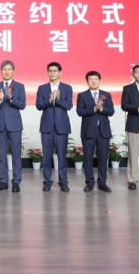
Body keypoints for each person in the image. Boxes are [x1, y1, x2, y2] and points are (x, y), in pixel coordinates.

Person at [36, 62, 73, 192]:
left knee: (62, 157)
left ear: (60, 72)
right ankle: (47, 182)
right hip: (46, 127)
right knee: (46, 157)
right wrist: (49, 100)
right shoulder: (42, 88)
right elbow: (38, 105)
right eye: (50, 71)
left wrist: (59, 99)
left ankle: (63, 182)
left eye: (55, 71)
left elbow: (69, 106)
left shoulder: (67, 88)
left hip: (61, 127)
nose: (52, 73)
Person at [0, 60, 26, 193]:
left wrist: (11, 98)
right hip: (0, 124)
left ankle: (16, 182)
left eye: (9, 69)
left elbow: (22, 105)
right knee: (1, 154)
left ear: (13, 71)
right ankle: (3, 181)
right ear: (1, 71)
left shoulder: (19, 86)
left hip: (15, 125)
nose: (6, 71)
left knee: (16, 154)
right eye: (4, 69)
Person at [76, 71, 114, 193]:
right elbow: (80, 112)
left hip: (103, 131)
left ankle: (102, 182)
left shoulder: (106, 95)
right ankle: (89, 182)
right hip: (88, 131)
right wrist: (94, 108)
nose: (93, 81)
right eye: (91, 79)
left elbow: (111, 111)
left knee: (103, 158)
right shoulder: (82, 95)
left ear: (99, 80)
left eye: (96, 79)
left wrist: (101, 108)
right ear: (87, 81)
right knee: (88, 158)